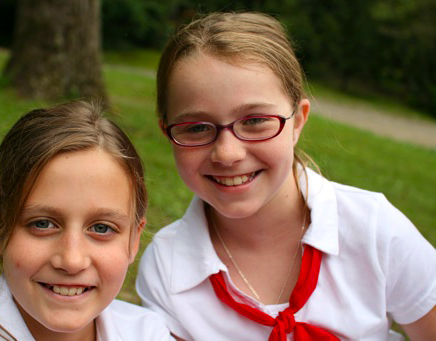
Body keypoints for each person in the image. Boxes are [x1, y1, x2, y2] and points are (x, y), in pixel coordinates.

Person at [136, 12, 436, 341]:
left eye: (254, 121)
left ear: (297, 122)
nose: (227, 153)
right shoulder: (167, 266)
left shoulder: (374, 230)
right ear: (167, 133)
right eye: (195, 127)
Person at [0, 101, 173, 340]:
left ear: (134, 240)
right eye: (42, 224)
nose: (72, 260)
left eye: (101, 228)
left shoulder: (148, 332)